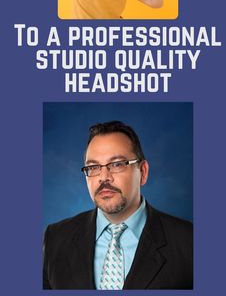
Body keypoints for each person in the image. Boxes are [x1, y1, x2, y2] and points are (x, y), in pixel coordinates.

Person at [43, 121, 193, 290]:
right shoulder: (55, 239)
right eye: (93, 167)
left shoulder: (189, 242)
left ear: (143, 172)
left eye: (117, 164)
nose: (103, 177)